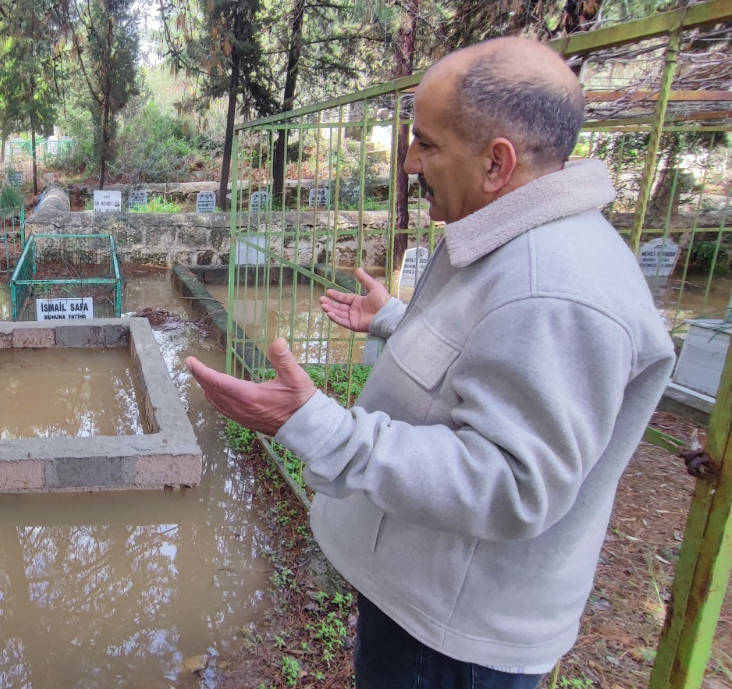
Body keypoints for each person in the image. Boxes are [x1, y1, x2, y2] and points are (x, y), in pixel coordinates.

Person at [186, 37, 675, 688]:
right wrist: (396, 320)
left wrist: (317, 426)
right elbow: (487, 358)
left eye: (427, 143)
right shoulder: (507, 233)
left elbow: (513, 483)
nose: (411, 160)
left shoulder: (555, 287)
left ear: (497, 162)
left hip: (451, 638)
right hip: (419, 593)